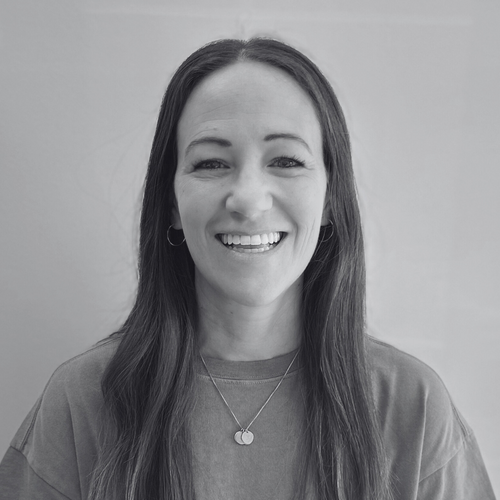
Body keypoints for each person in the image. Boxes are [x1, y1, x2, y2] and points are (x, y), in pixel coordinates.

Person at [0, 38, 496, 500]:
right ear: (171, 203)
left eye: (286, 160)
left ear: (330, 199)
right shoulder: (82, 399)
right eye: (211, 164)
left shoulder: (413, 406)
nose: (249, 199)